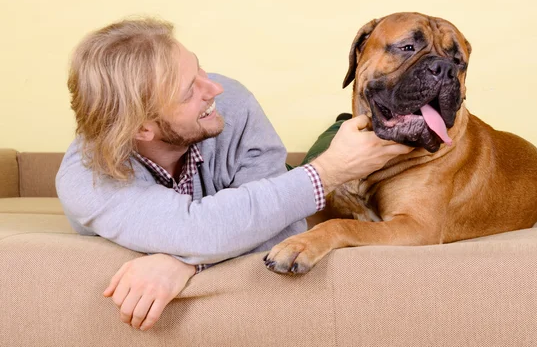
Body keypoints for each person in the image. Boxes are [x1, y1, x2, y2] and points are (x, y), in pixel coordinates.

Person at [56, 18, 413, 331]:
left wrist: (182, 260)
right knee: (330, 159)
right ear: (142, 129)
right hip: (287, 183)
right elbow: (197, 230)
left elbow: (286, 227)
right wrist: (328, 170)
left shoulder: (232, 104)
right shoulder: (86, 178)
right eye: (188, 92)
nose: (214, 89)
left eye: (199, 69)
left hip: (278, 182)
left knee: (349, 140)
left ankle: (337, 132)